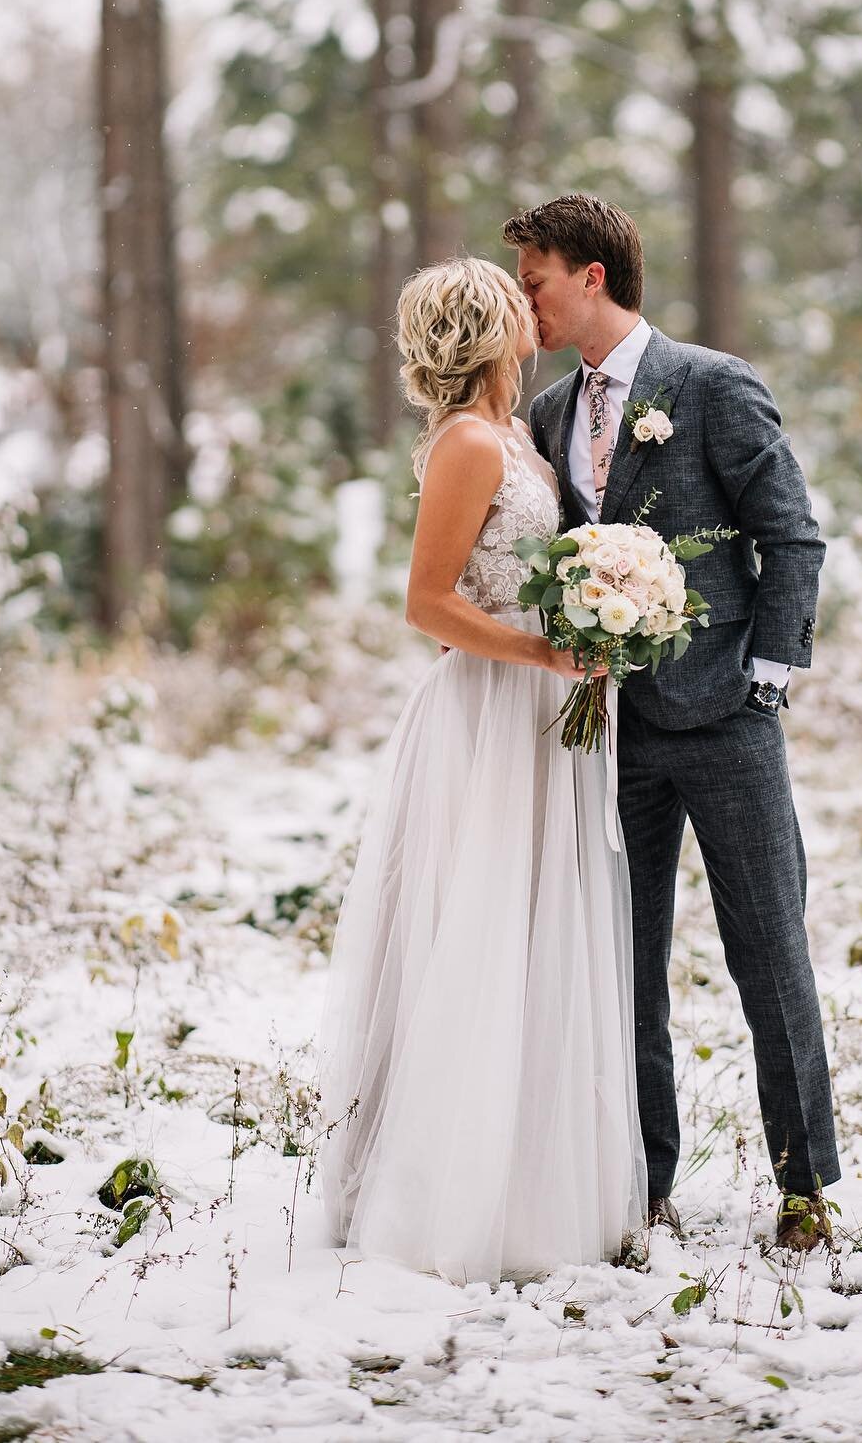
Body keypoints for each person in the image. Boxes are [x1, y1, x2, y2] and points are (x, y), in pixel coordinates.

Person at [511, 192, 841, 1251]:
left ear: (593, 275)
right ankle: (642, 1183)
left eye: (538, 279)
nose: (528, 302)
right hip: (608, 730)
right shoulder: (547, 414)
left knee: (768, 952)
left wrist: (768, 677)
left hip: (729, 720)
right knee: (623, 959)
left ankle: (804, 1187)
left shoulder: (710, 384)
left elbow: (791, 536)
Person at [320, 256, 646, 1286]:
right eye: (517, 303)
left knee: (541, 937)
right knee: (482, 934)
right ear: (490, 328)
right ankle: (451, 1196)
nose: (533, 311)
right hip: (487, 711)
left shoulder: (524, 439)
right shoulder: (467, 442)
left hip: (545, 711)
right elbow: (427, 601)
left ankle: (536, 1178)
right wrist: (545, 650)